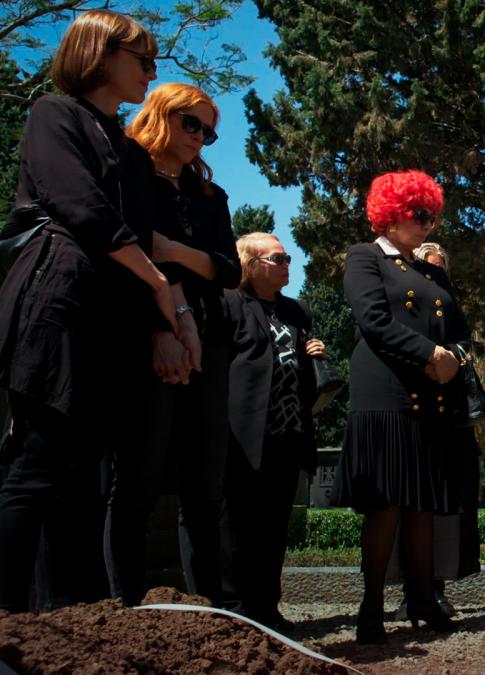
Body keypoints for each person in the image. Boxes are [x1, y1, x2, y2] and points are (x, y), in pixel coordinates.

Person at [0, 10, 180, 612]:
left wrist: (163, 327)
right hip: (59, 303)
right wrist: (158, 284)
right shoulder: (54, 115)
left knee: (84, 480)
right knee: (36, 465)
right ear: (101, 54)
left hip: (115, 319)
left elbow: (142, 238)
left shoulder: (130, 153)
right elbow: (82, 209)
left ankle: (71, 626)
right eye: (143, 59)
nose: (152, 72)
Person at [105, 82, 240, 607]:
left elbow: (229, 271)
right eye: (191, 124)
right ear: (161, 113)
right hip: (145, 334)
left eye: (208, 130)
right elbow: (130, 254)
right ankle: (123, 608)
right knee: (136, 482)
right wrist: (169, 313)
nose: (200, 138)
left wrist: (175, 251)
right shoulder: (127, 174)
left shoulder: (209, 195)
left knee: (205, 489)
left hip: (209, 337)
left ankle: (212, 608)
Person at [338, 170, 468, 641]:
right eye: (419, 214)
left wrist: (453, 358)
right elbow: (372, 320)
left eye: (433, 215)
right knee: (386, 504)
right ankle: (371, 607)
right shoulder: (364, 257)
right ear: (390, 214)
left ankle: (423, 601)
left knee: (422, 506)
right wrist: (428, 355)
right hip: (385, 394)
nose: (428, 223)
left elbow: (461, 331)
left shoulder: (433, 271)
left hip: (432, 396)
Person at [220, 232, 321, 631]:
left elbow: (301, 376)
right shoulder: (230, 304)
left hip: (287, 435)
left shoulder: (296, 311)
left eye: (287, 258)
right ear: (250, 264)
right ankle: (232, 606)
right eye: (277, 259)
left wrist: (315, 357)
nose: (286, 265)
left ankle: (266, 607)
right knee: (236, 524)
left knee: (273, 526)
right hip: (242, 435)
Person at [408, 240, 481, 618]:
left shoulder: (450, 308)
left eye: (440, 271)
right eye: (426, 268)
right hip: (410, 409)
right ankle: (412, 589)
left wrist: (450, 356)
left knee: (444, 504)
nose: (433, 276)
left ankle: (435, 587)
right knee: (411, 501)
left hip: (449, 412)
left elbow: (464, 341)